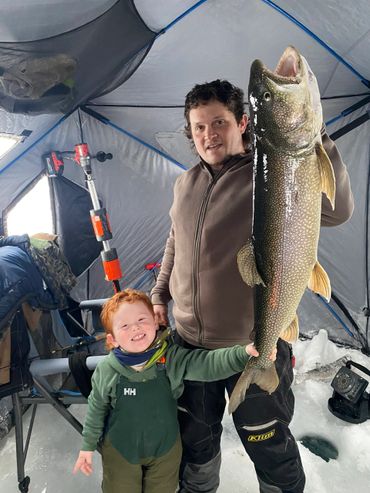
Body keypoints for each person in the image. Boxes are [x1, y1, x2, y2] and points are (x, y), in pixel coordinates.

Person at [151, 79, 354, 493]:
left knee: (268, 442)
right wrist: (159, 294)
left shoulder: (271, 173)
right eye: (199, 126)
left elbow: (337, 211)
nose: (209, 134)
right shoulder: (184, 183)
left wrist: (316, 135)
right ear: (190, 132)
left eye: (219, 122)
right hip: (189, 347)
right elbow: (175, 241)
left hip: (254, 343)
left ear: (242, 123)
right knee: (196, 442)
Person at [73, 288, 276, 493]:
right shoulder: (107, 370)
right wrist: (87, 446)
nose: (135, 328)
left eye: (142, 320)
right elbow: (96, 408)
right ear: (112, 340)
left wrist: (243, 354)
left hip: (166, 452)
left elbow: (207, 363)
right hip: (121, 452)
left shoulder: (170, 358)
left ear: (155, 322)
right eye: (124, 325)